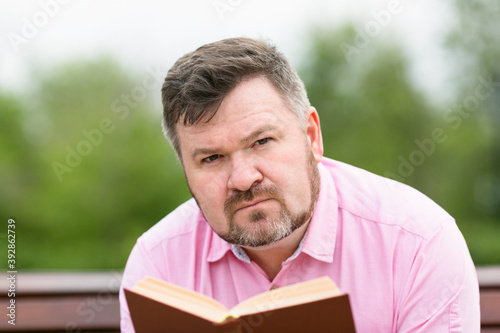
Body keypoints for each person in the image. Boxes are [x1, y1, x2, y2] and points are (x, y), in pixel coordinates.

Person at [119, 37, 480, 332]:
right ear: (184, 168)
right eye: (211, 159)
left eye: (261, 142)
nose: (243, 178)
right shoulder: (158, 266)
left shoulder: (418, 243)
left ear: (311, 136)